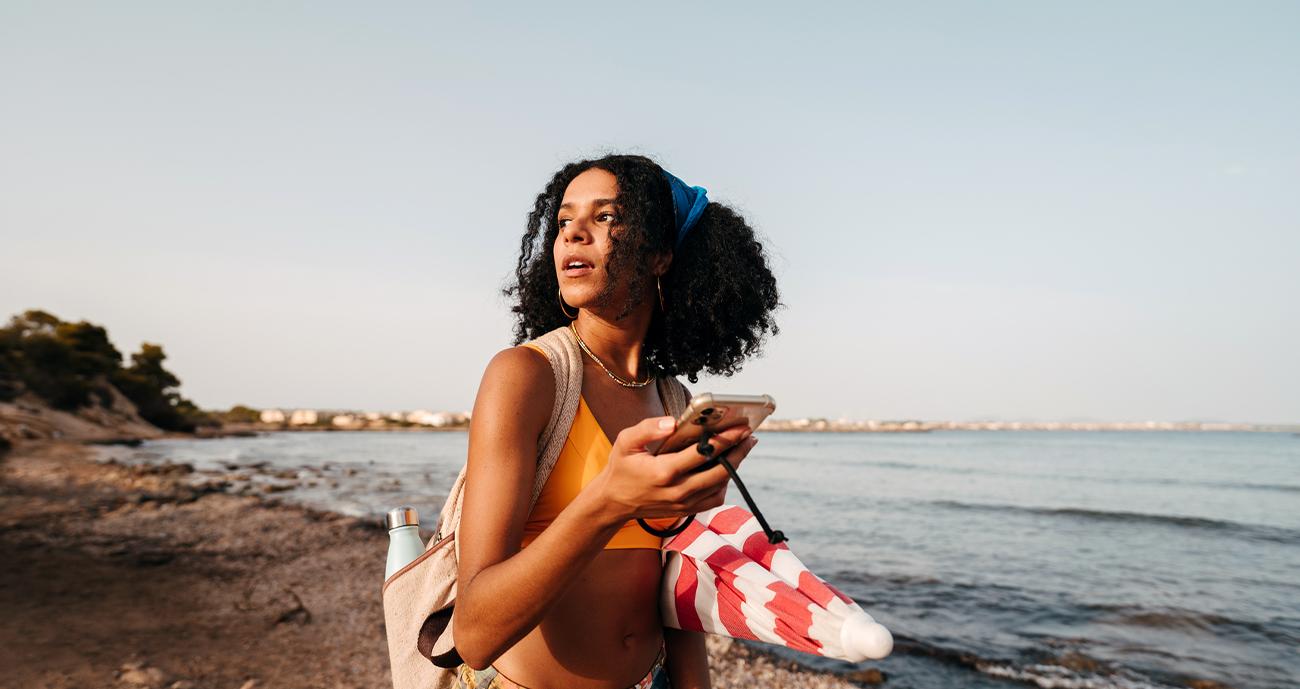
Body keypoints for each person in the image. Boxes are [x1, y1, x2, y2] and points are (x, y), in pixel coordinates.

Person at [453, 154, 780, 689]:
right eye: (563, 221)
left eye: (605, 217)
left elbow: (676, 583)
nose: (573, 234)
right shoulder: (526, 376)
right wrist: (610, 500)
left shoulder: (673, 399)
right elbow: (474, 634)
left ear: (659, 256)